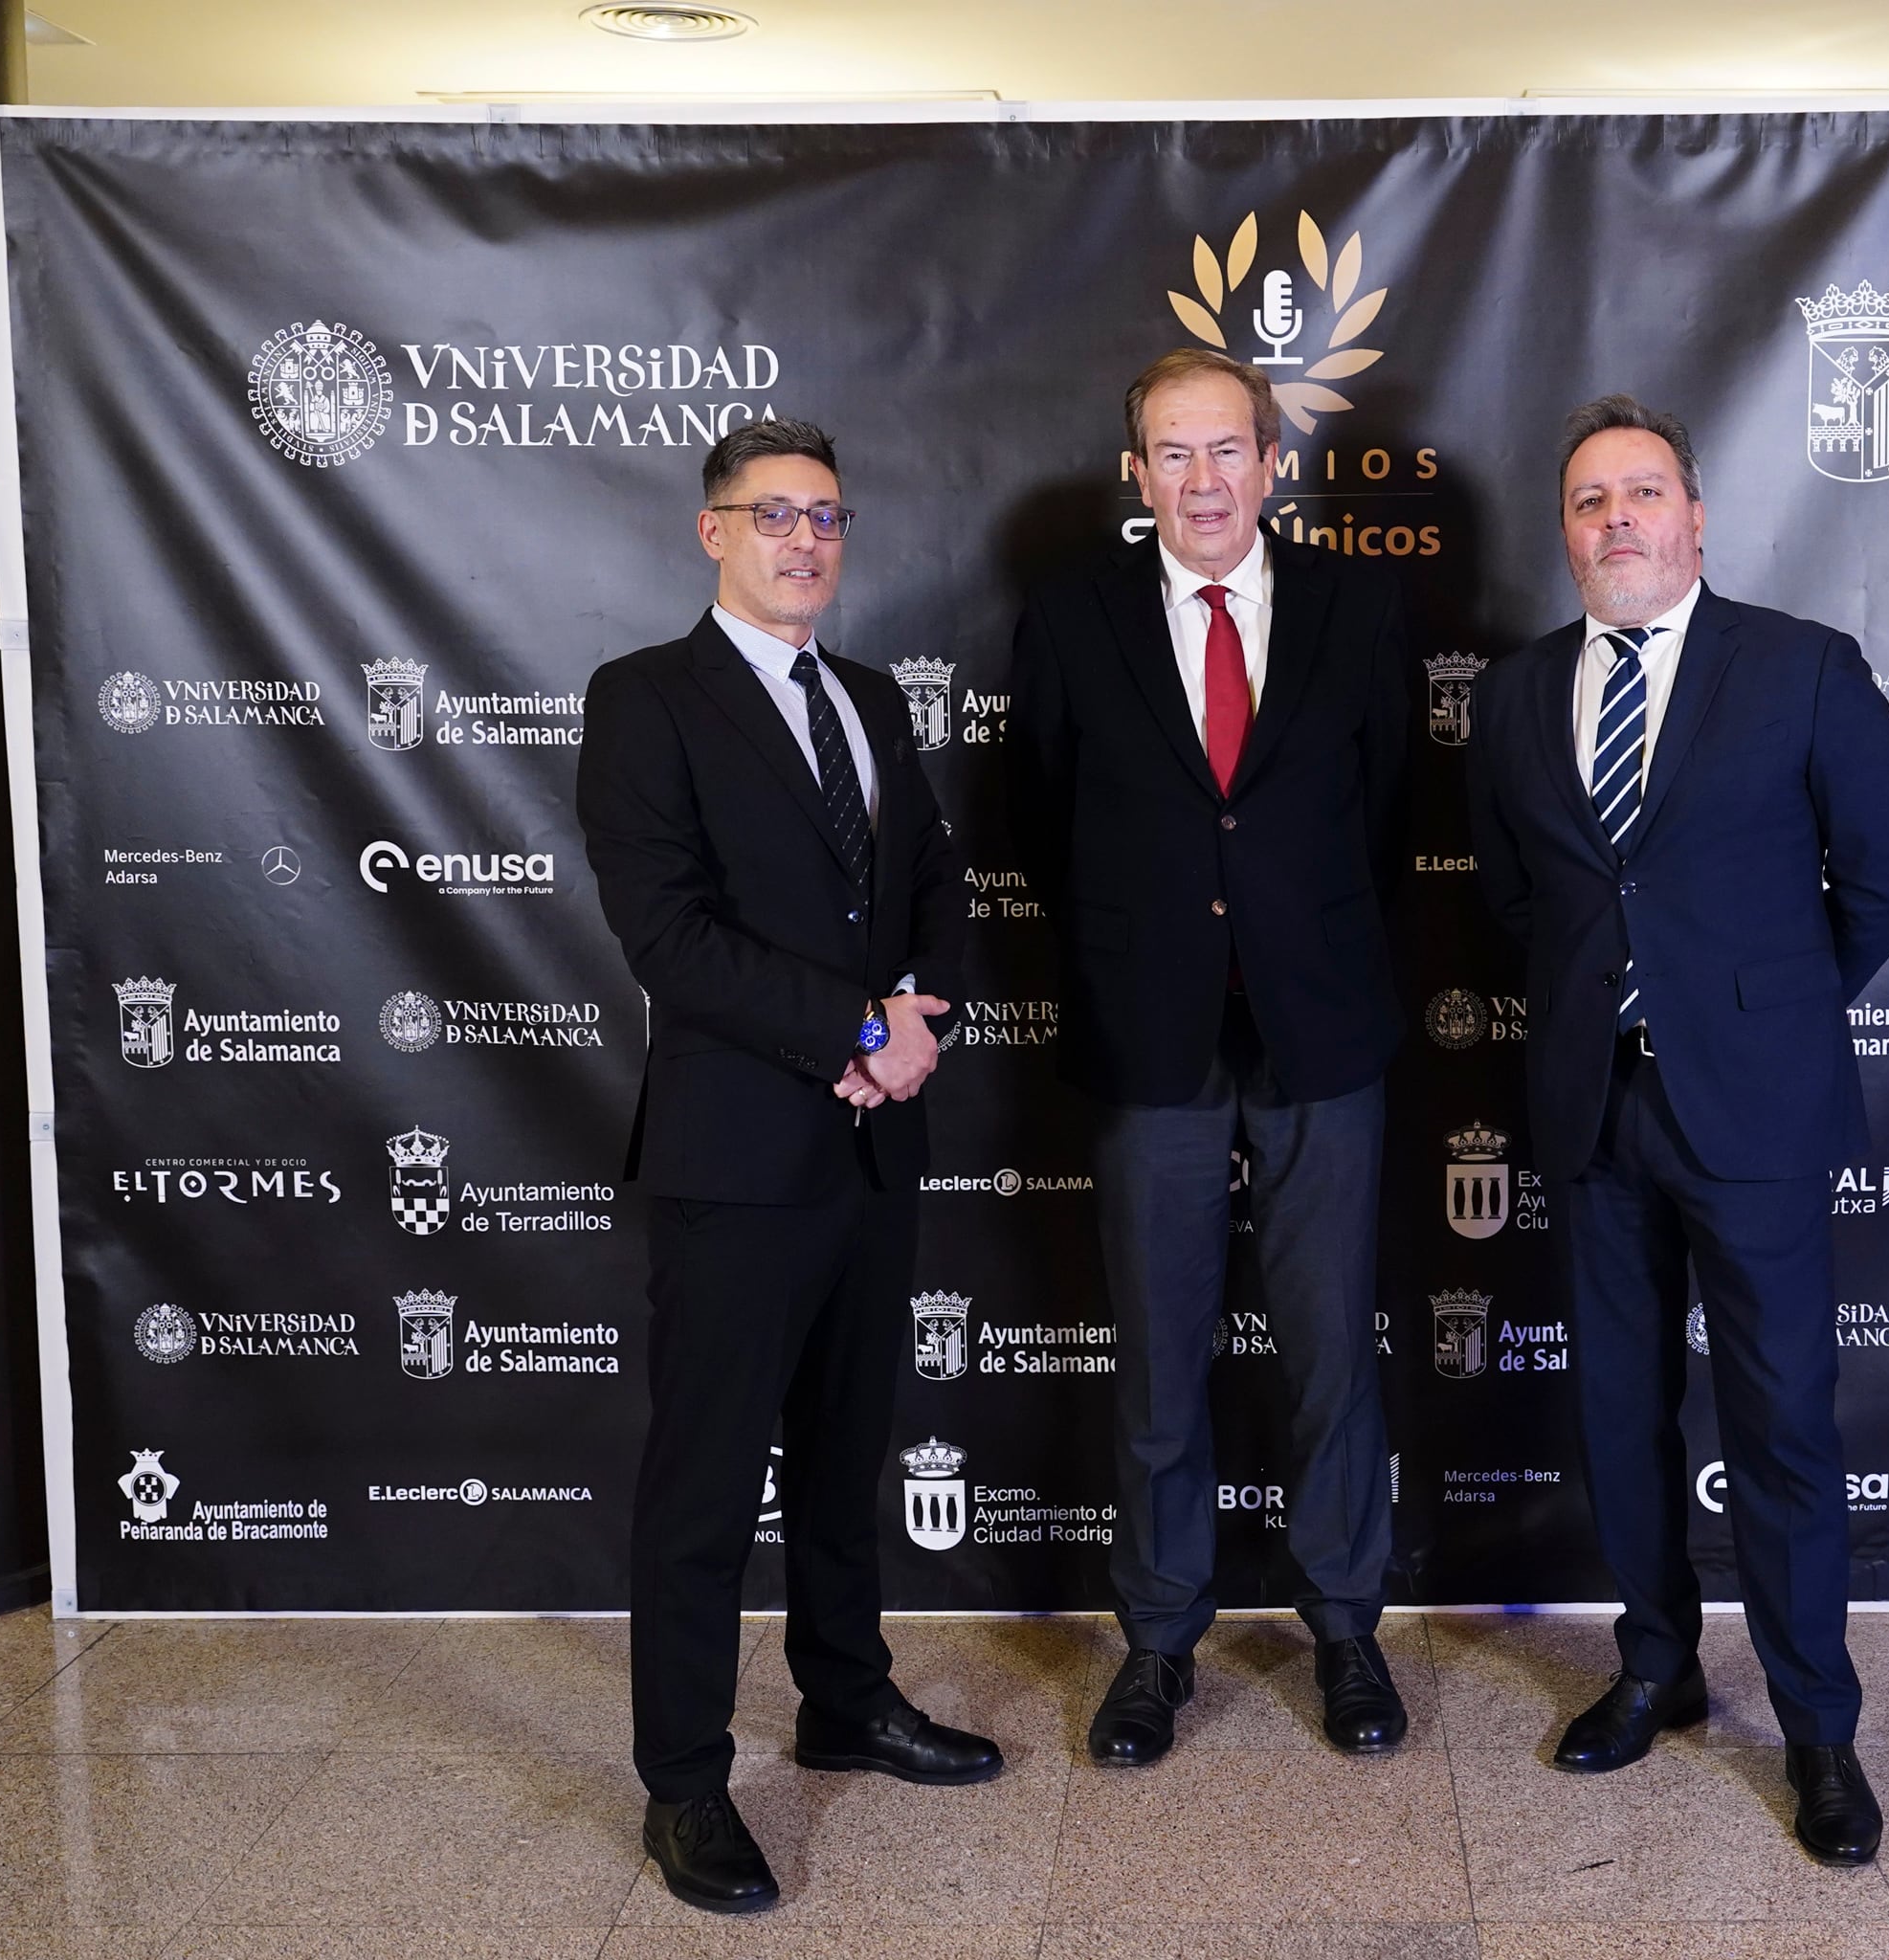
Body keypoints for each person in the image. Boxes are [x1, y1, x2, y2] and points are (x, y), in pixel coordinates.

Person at [1464, 394, 1889, 1865]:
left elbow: (1887, 878)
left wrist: (1760, 1015)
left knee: (1783, 1423)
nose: (1619, 520)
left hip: (1757, 1112)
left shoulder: (1800, 667)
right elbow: (1516, 895)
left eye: (1644, 492)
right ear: (1565, 532)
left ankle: (1818, 1731)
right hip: (1593, 1108)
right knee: (1620, 1411)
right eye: (1590, 500)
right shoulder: (1514, 696)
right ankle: (1655, 1666)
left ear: (1697, 515)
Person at [579, 418, 1000, 1917]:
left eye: (825, 517)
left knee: (843, 1453)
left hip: (874, 1146)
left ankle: (845, 1699)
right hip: (739, 1154)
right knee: (706, 1483)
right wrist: (854, 1028)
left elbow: (933, 880)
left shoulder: (869, 696)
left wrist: (916, 1019)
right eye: (774, 516)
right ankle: (686, 1782)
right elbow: (669, 935)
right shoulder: (644, 699)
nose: (805, 540)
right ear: (714, 532)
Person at [1009, 347, 1414, 1766]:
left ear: (1271, 462)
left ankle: (1347, 1628)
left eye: (1226, 449)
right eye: (1172, 454)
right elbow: (1044, 822)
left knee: (1333, 1356)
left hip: (1323, 1031)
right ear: (1138, 473)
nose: (1202, 480)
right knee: (1160, 1360)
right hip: (1151, 1038)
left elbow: (1383, 809)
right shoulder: (1071, 616)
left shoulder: (1361, 606)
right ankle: (1159, 1641)